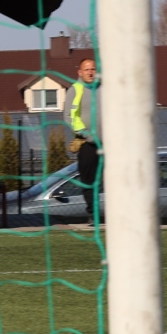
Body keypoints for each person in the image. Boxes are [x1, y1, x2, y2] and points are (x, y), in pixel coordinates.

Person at [64, 57, 101, 220]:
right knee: (88, 179)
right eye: (87, 70)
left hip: (110, 143)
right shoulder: (75, 89)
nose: (90, 72)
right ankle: (93, 213)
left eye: (93, 69)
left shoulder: (105, 88)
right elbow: (70, 116)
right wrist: (86, 134)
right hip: (88, 143)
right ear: (80, 72)